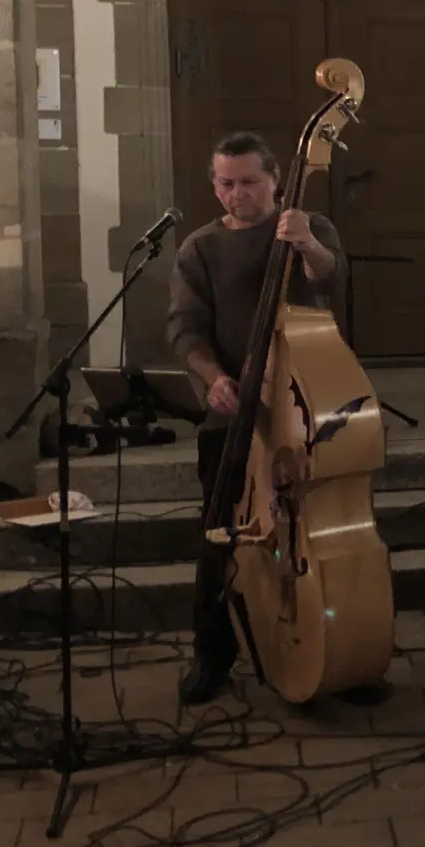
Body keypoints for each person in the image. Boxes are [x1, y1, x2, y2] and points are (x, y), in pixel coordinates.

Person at [166, 131, 350, 705]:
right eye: (225, 183)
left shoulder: (308, 224)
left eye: (248, 182)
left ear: (275, 180)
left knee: (325, 531)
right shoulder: (199, 247)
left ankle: (342, 642)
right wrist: (214, 378)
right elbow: (186, 330)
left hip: (305, 407)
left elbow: (332, 279)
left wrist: (308, 247)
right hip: (235, 412)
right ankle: (212, 652)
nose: (236, 194)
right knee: (220, 530)